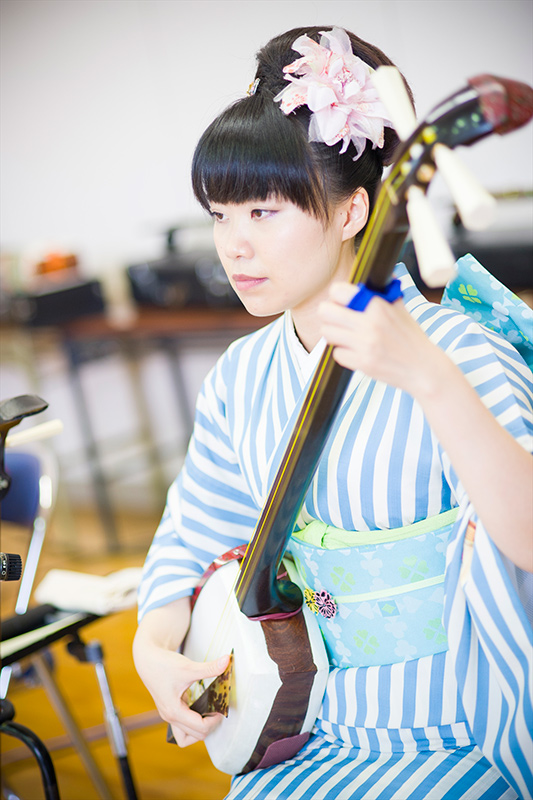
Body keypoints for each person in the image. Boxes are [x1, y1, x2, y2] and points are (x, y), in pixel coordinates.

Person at [133, 26, 533, 800]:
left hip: (460, 728)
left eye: (262, 212)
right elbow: (192, 535)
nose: (233, 247)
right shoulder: (241, 375)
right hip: (307, 724)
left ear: (352, 211)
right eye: (220, 215)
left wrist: (433, 382)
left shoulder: (460, 350)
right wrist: (153, 649)